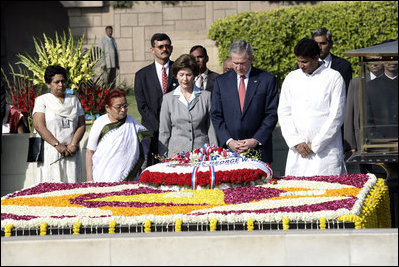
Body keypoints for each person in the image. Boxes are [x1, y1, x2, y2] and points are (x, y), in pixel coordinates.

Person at [278, 38, 346, 176]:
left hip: (326, 152)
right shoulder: (291, 78)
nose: (301, 65)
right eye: (298, 61)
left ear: (316, 57)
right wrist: (296, 142)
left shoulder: (334, 77)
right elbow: (284, 113)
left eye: (305, 61)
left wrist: (315, 145)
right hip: (298, 152)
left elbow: (336, 116)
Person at [210, 40, 279, 163]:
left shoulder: (267, 80)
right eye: (235, 63)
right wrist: (229, 140)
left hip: (259, 149)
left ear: (251, 58)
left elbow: (271, 114)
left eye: (242, 63)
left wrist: (255, 140)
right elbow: (216, 114)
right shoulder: (221, 82)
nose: (238, 67)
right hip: (230, 151)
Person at [32, 65, 86, 183]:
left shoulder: (74, 100)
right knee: (52, 187)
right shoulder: (42, 100)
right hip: (50, 150)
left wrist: (73, 144)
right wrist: (57, 145)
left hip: (71, 151)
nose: (61, 85)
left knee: (72, 186)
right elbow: (39, 126)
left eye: (63, 81)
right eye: (57, 82)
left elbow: (82, 125)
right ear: (48, 84)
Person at [159, 54, 217, 157]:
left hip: (201, 153)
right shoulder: (168, 99)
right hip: (176, 155)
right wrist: (163, 157)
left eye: (188, 75)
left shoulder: (206, 96)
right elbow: (164, 131)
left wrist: (214, 152)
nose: (185, 79)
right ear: (176, 75)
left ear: (194, 75)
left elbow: (211, 129)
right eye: (181, 75)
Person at [86, 89, 150, 182]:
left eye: (125, 106)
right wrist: (89, 178)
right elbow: (90, 152)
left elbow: (146, 143)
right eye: (118, 107)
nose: (123, 110)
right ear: (108, 108)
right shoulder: (100, 123)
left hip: (128, 180)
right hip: (102, 178)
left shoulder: (133, 124)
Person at [134, 33, 178, 166]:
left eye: (167, 46)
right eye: (160, 46)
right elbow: (142, 106)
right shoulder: (142, 75)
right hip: (153, 131)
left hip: (177, 130)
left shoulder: (180, 71)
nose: (164, 49)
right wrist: (160, 126)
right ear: (152, 50)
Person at [344, 58, 384, 155]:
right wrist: (350, 144)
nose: (374, 64)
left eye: (377, 60)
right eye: (371, 60)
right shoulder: (357, 82)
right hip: (363, 141)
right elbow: (350, 113)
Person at [311, 28, 352, 92]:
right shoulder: (304, 64)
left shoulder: (344, 66)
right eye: (316, 43)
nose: (319, 47)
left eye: (323, 43)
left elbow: (346, 92)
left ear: (331, 44)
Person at [366, 62, 398, 139]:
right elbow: (367, 119)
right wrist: (379, 140)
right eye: (388, 57)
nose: (392, 61)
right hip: (381, 144)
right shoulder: (371, 86)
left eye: (395, 57)